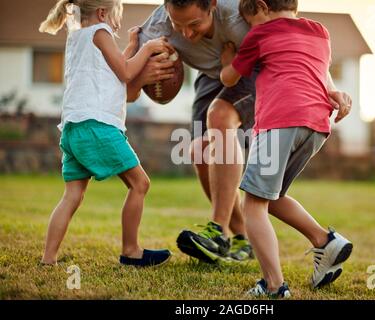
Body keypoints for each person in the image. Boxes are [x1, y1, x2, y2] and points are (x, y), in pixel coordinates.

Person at [127, 0, 352, 264]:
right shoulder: (157, 26)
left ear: (212, 5)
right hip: (211, 76)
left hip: (253, 71)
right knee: (199, 152)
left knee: (219, 116)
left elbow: (294, 44)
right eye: (179, 25)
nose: (186, 34)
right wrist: (142, 74)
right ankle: (242, 237)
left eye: (194, 24)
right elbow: (127, 84)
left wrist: (329, 88)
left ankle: (218, 231)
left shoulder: (240, 13)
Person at [220, 0, 353, 298]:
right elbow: (320, 73)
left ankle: (274, 287)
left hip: (279, 121)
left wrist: (228, 57)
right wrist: (334, 92)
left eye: (250, 20)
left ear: (262, 7)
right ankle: (324, 242)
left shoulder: (261, 33)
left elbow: (229, 78)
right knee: (273, 195)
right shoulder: (320, 32)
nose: (249, 29)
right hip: (316, 125)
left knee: (252, 205)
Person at [39, 0, 172, 267]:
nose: (118, 24)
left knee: (72, 196)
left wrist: (133, 45)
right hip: (97, 125)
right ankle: (131, 250)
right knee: (140, 184)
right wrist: (146, 48)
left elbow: (112, 68)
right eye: (116, 17)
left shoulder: (78, 37)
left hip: (73, 128)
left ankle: (48, 258)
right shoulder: (101, 32)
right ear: (102, 13)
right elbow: (124, 72)